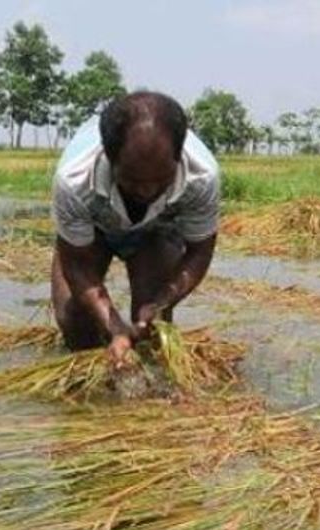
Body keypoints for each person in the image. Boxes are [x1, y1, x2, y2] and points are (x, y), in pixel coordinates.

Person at [50, 91, 219, 366]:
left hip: (157, 231)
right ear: (109, 158)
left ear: (179, 157)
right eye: (132, 179)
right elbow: (77, 266)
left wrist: (163, 302)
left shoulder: (202, 177)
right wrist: (113, 326)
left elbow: (200, 251)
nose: (147, 190)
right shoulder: (74, 180)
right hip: (96, 231)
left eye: (162, 179)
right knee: (76, 324)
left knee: (150, 329)